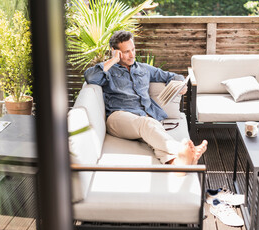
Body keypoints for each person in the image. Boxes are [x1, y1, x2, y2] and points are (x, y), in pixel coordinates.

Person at [84, 30, 207, 168]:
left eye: (133, 49)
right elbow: (90, 77)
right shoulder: (109, 71)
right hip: (118, 118)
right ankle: (181, 150)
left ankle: (178, 163)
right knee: (147, 124)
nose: (132, 55)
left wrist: (180, 85)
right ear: (115, 51)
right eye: (126, 52)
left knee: (155, 135)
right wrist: (113, 60)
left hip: (147, 119)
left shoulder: (144, 69)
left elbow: (172, 76)